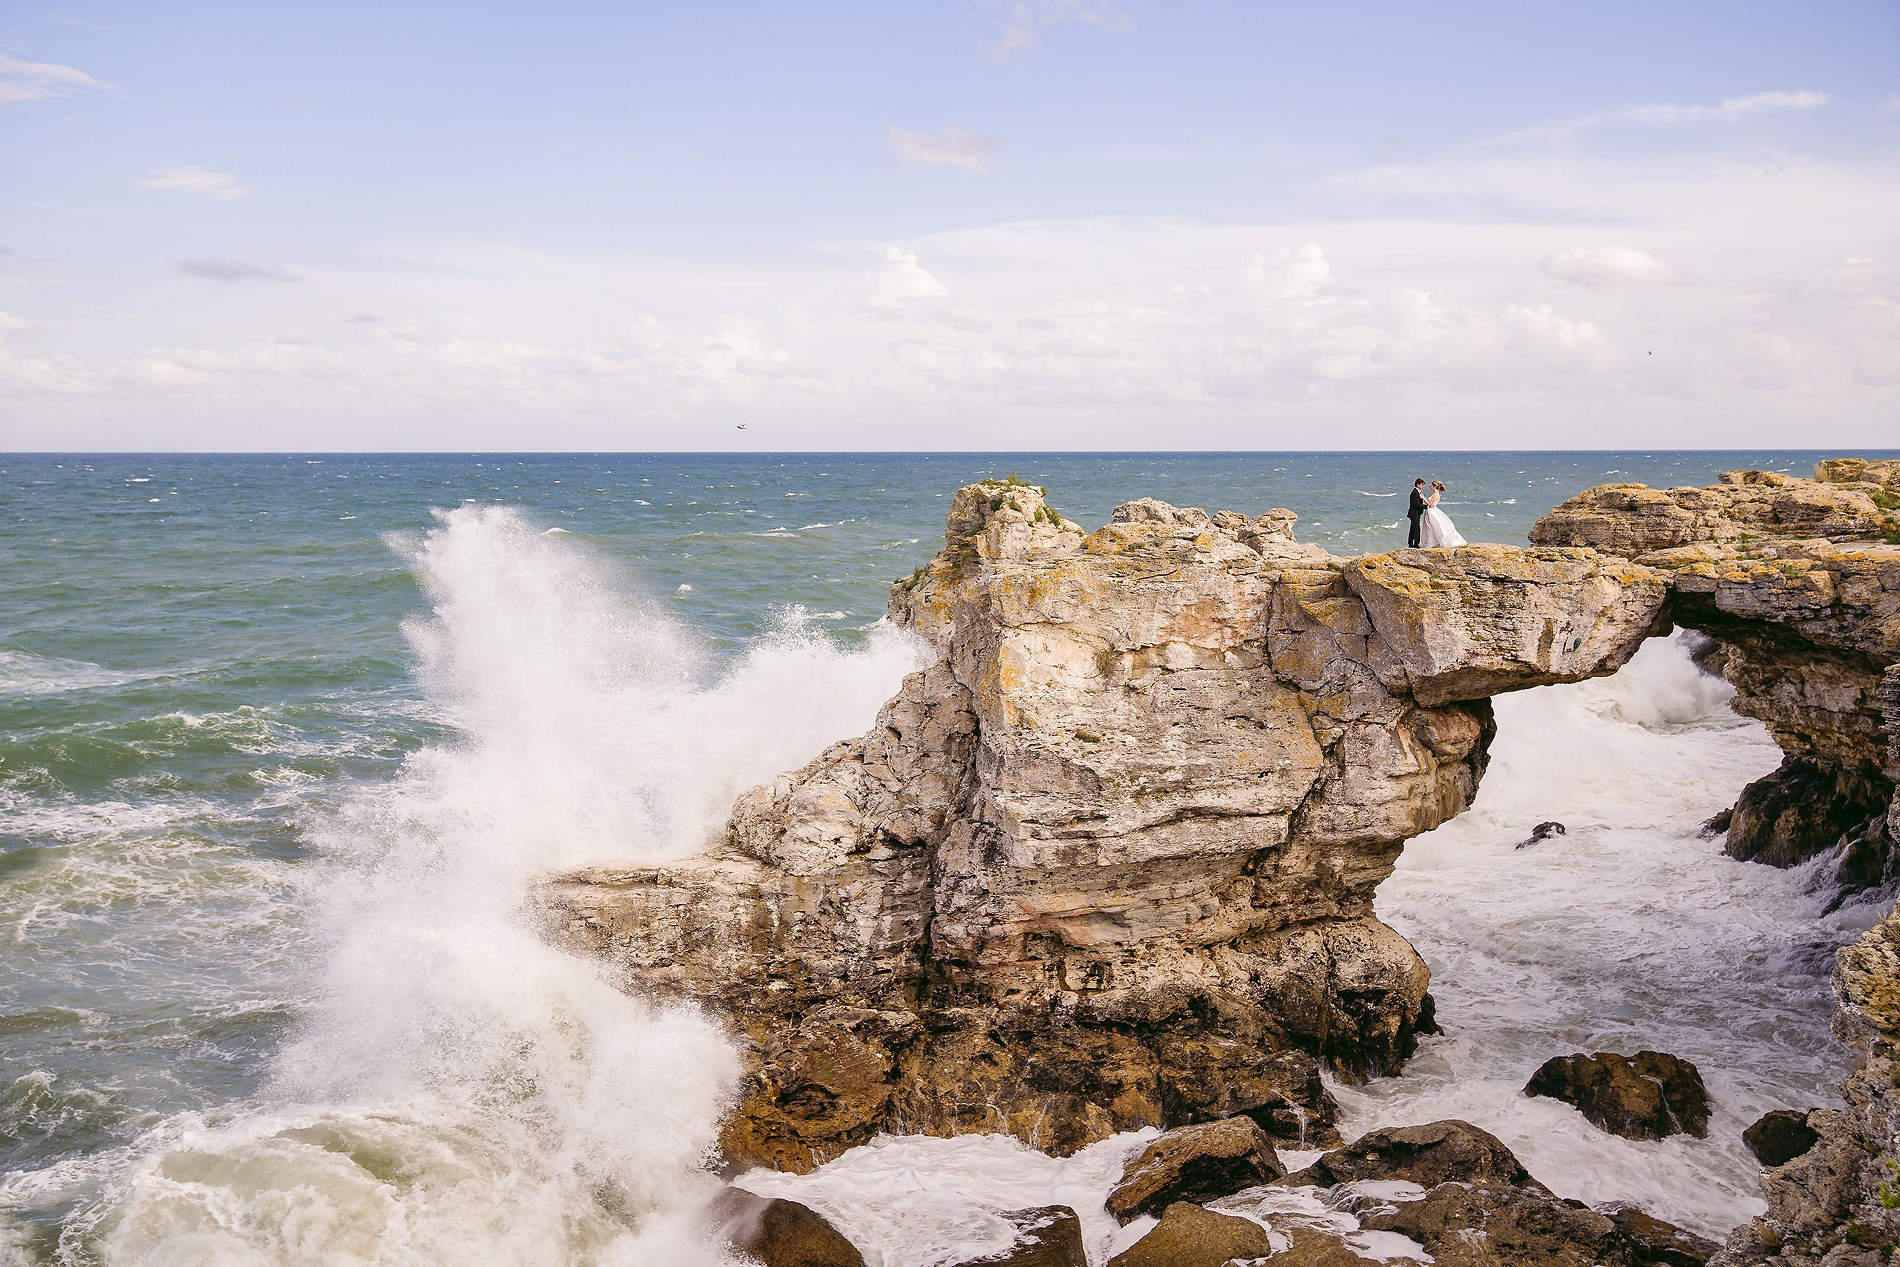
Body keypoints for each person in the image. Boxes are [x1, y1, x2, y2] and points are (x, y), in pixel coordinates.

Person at [1418, 481, 1467, 548]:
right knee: (1430, 527)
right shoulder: (1434, 494)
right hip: (1430, 511)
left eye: (1431, 485)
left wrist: (1423, 498)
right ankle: (1430, 542)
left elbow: (1430, 504)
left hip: (1432, 511)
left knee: (1433, 527)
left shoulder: (1435, 494)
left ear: (1435, 486)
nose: (1430, 487)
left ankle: (1432, 542)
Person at [1406, 478, 1427, 547]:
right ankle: (1416, 544)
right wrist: (1426, 506)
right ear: (1418, 485)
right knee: (1417, 529)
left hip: (1415, 513)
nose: (1423, 486)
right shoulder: (1414, 493)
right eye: (1422, 484)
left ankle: (1410, 544)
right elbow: (1416, 504)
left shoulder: (1417, 492)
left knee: (1412, 529)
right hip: (1414, 513)